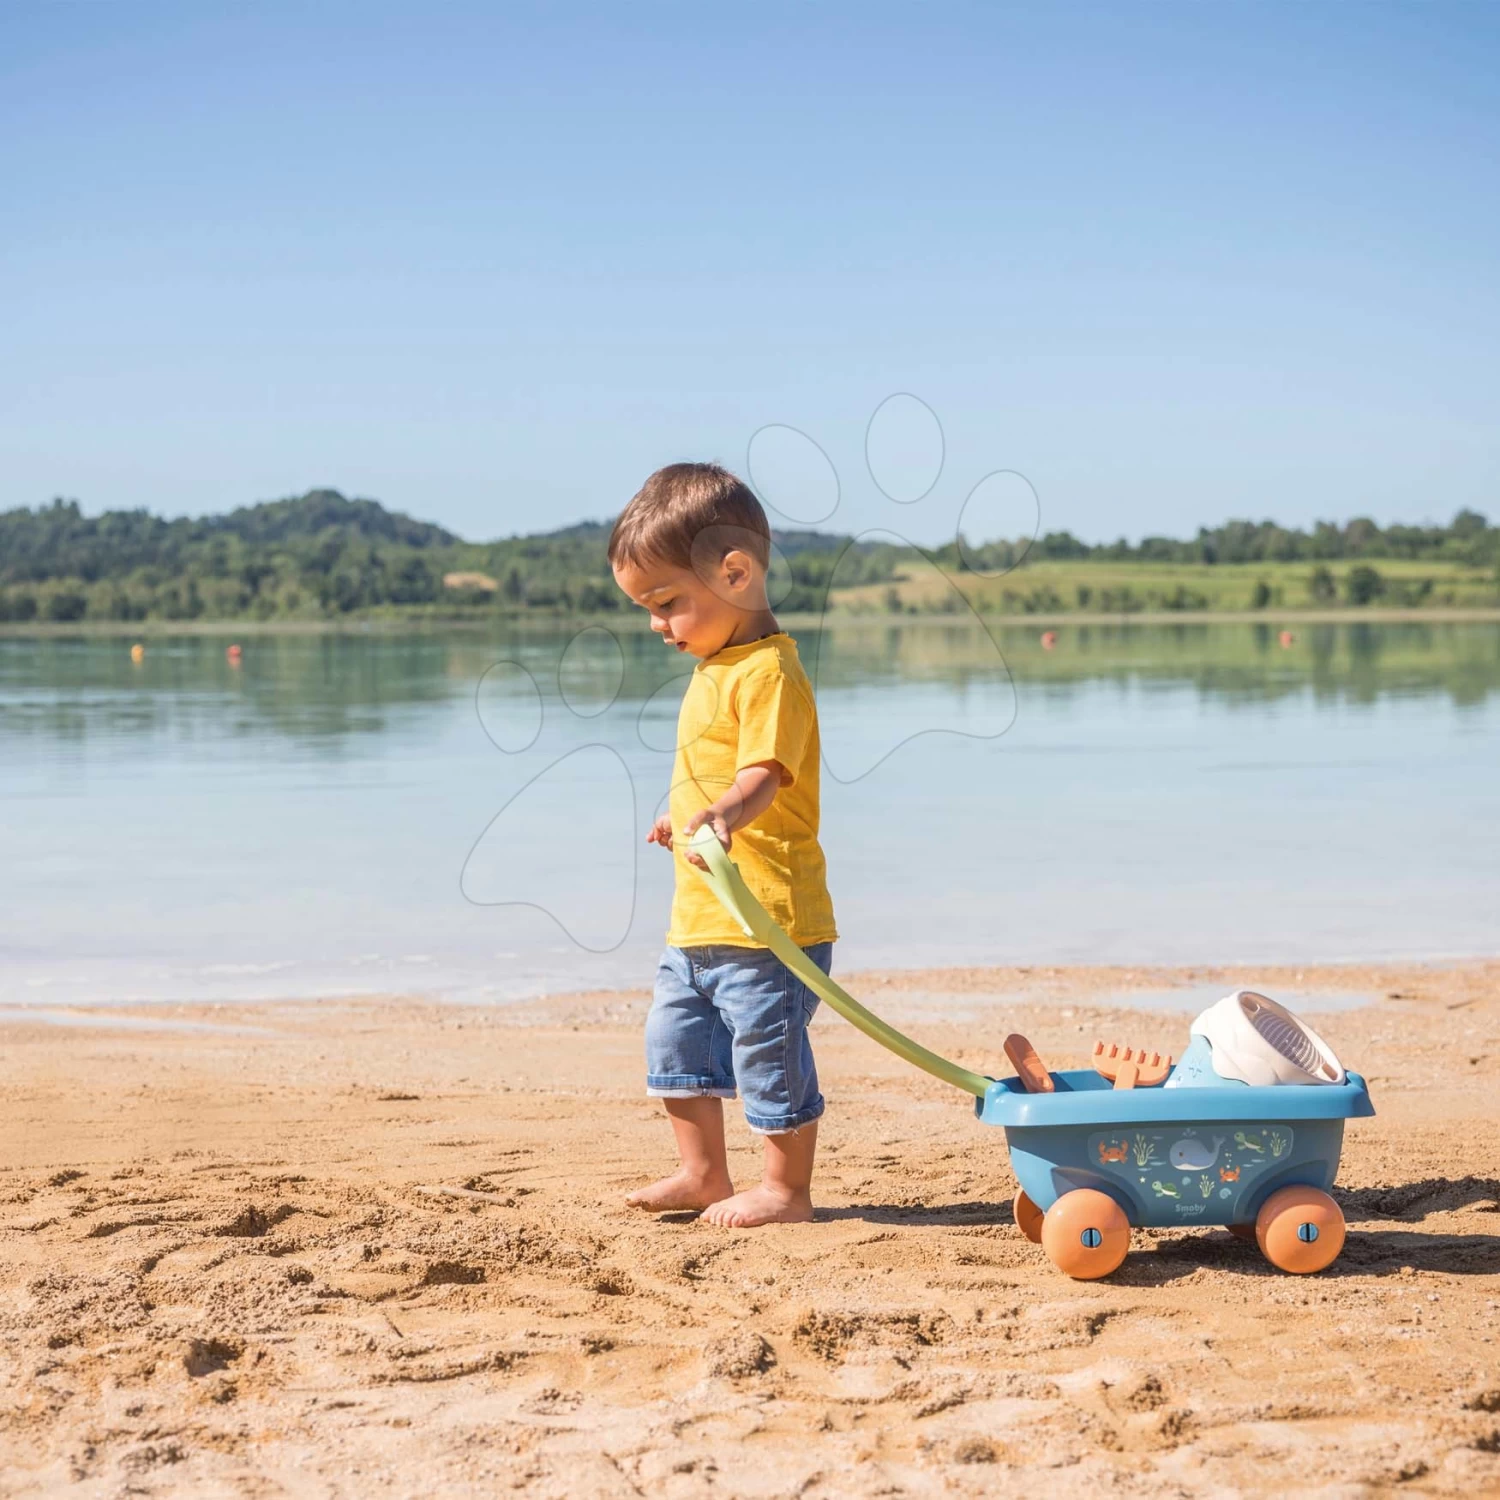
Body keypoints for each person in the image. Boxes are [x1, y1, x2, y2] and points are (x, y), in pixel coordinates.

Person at [609, 463, 837, 1227]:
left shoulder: (770, 670)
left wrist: (726, 810)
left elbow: (764, 773)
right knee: (676, 1050)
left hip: (768, 922)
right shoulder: (715, 667)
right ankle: (702, 1172)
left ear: (735, 572)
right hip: (700, 921)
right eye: (646, 608)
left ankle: (785, 1190)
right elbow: (708, 772)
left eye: (667, 602)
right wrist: (683, 816)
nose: (656, 623)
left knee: (769, 1059)